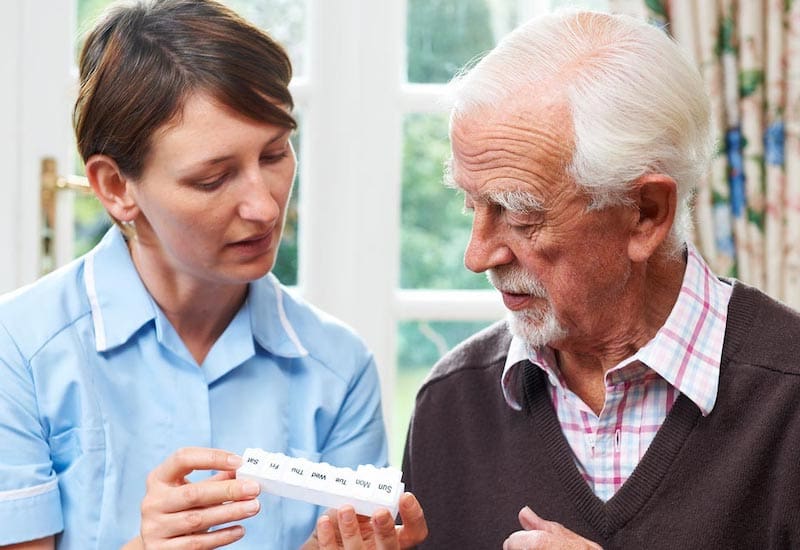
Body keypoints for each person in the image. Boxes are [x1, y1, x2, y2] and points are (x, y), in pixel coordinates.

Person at [0, 1, 426, 549]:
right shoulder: (18, 351)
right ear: (115, 188)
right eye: (213, 178)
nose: (265, 208)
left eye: (275, 153)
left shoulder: (338, 369)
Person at [402, 9, 800, 549]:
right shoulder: (452, 402)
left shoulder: (789, 397)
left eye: (520, 215)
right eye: (471, 204)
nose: (478, 255)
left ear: (645, 213)